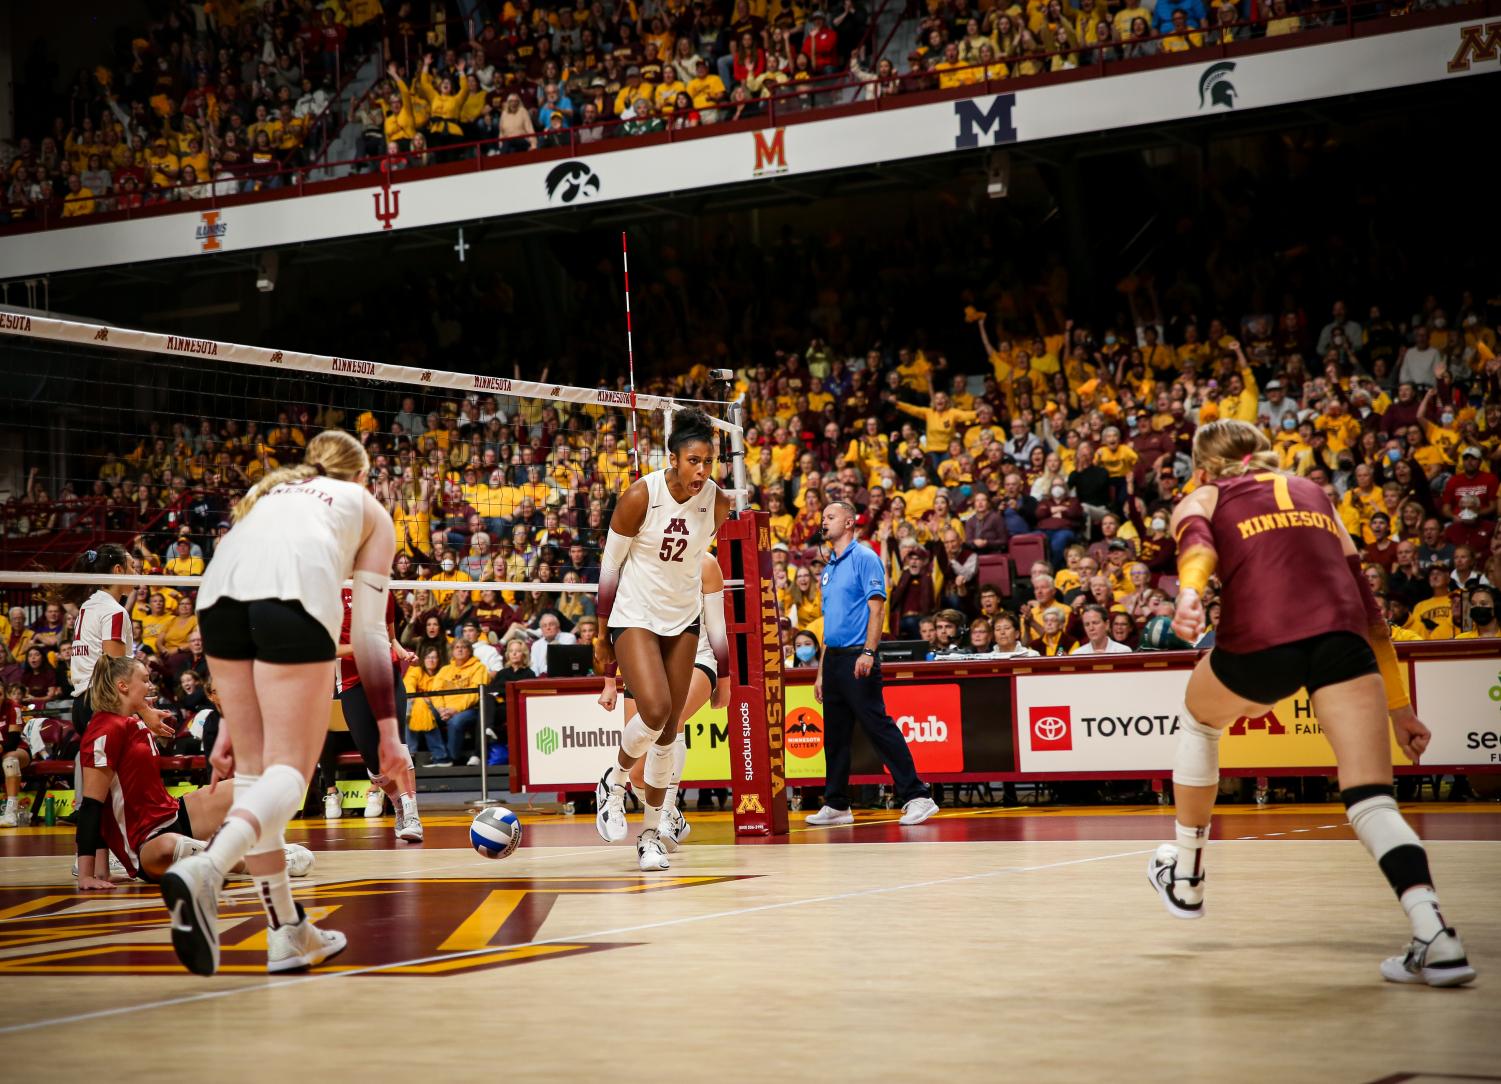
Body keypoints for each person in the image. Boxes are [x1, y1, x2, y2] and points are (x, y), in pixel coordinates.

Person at [1149, 419, 1474, 988]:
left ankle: (1187, 875)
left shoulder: (1203, 494)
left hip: (1262, 641)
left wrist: (1192, 595)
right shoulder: (1315, 494)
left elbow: (1197, 545)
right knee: (1373, 799)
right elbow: (1371, 607)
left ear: (1204, 466)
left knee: (1200, 722)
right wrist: (1400, 708)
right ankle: (1436, 934)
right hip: (1342, 640)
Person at [162, 430, 400, 977]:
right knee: (290, 772)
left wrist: (228, 720)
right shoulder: (367, 507)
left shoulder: (269, 496)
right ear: (361, 476)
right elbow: (369, 637)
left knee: (254, 780)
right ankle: (209, 870)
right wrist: (388, 731)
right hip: (288, 602)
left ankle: (287, 931)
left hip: (216, 602)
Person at [593, 409, 731, 871]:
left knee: (668, 731)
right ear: (672, 459)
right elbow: (610, 567)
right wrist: (600, 636)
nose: (702, 470)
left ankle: (650, 833)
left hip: (682, 620)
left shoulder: (717, 502)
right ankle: (613, 783)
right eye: (694, 460)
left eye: (708, 461)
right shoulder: (640, 495)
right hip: (634, 614)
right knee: (653, 709)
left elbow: (691, 562)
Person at [74, 656, 314, 888]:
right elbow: (93, 806)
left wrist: (144, 712)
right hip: (146, 845)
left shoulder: (134, 720)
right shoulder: (103, 731)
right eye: (145, 679)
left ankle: (235, 847)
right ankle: (253, 862)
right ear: (123, 685)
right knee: (168, 847)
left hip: (172, 815)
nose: (150, 685)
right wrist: (89, 874)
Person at [805, 500, 938, 828]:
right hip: (834, 659)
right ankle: (836, 803)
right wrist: (822, 671)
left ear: (849, 522)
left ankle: (918, 796)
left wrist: (868, 652)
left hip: (856, 656)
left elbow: (877, 609)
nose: (825, 522)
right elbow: (830, 622)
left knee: (878, 727)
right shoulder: (830, 567)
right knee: (834, 736)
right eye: (823, 517)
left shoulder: (865, 558)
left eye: (831, 517)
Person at [599, 555, 733, 851]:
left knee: (671, 718)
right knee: (638, 773)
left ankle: (661, 818)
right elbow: (615, 623)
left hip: (699, 656)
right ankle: (667, 812)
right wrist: (609, 681)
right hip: (646, 661)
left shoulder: (707, 564)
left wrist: (724, 678)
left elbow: (718, 628)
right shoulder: (637, 558)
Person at [336, 587, 423, 841]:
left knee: (396, 744)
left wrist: (402, 653)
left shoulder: (380, 589)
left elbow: (390, 636)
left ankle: (412, 813)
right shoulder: (329, 592)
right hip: (353, 682)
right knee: (373, 761)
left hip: (387, 673)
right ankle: (397, 802)